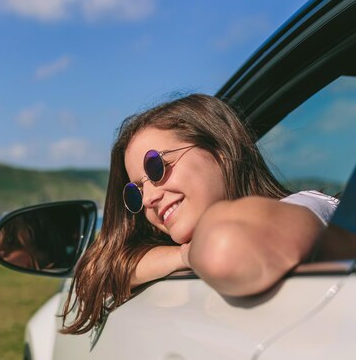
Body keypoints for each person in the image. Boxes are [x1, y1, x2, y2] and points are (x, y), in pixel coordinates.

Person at [62, 94, 338, 334]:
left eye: (156, 167)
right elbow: (97, 271)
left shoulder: (309, 207)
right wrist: (182, 255)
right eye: (135, 191)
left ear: (219, 150)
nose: (148, 199)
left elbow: (230, 248)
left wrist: (188, 254)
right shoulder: (185, 249)